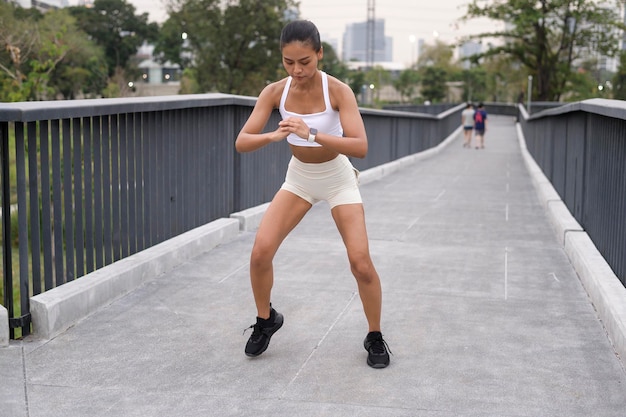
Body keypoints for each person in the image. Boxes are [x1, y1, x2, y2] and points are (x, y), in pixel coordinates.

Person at [235, 20, 390, 369]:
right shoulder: (275, 92)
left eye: (304, 61)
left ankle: (375, 335)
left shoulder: (338, 91)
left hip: (337, 177)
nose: (297, 69)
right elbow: (242, 142)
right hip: (300, 178)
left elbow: (360, 146)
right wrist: (274, 137)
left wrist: (312, 133)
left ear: (319, 54)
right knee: (260, 252)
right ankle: (266, 320)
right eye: (288, 62)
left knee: (360, 262)